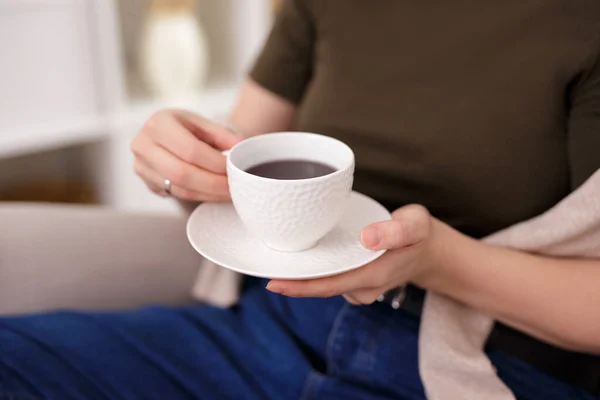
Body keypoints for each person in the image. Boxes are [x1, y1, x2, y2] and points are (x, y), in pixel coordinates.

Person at [1, 1, 599, 399]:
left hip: (462, 369)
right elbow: (239, 166)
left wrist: (436, 259)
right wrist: (179, 166)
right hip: (267, 333)